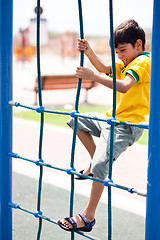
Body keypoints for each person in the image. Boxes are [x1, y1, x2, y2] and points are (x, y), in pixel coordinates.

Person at [58, 19, 150, 232]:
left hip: (127, 126)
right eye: (117, 52)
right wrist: (89, 52)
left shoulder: (143, 63)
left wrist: (94, 77)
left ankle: (88, 216)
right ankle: (96, 163)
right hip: (112, 120)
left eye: (122, 51)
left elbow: (125, 86)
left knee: (101, 166)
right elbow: (104, 67)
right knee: (76, 120)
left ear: (138, 45)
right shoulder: (128, 61)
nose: (120, 56)